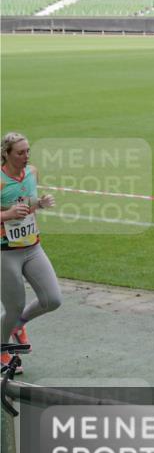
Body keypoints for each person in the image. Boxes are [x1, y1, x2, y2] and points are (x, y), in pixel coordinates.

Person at [1, 132, 62, 374]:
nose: (26, 156)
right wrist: (6, 215)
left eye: (28, 151)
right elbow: (10, 210)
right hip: (5, 253)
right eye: (20, 152)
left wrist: (41, 203)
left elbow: (29, 202)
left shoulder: (32, 172)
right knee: (13, 306)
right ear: (6, 153)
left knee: (53, 299)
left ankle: (18, 326)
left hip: (33, 247)